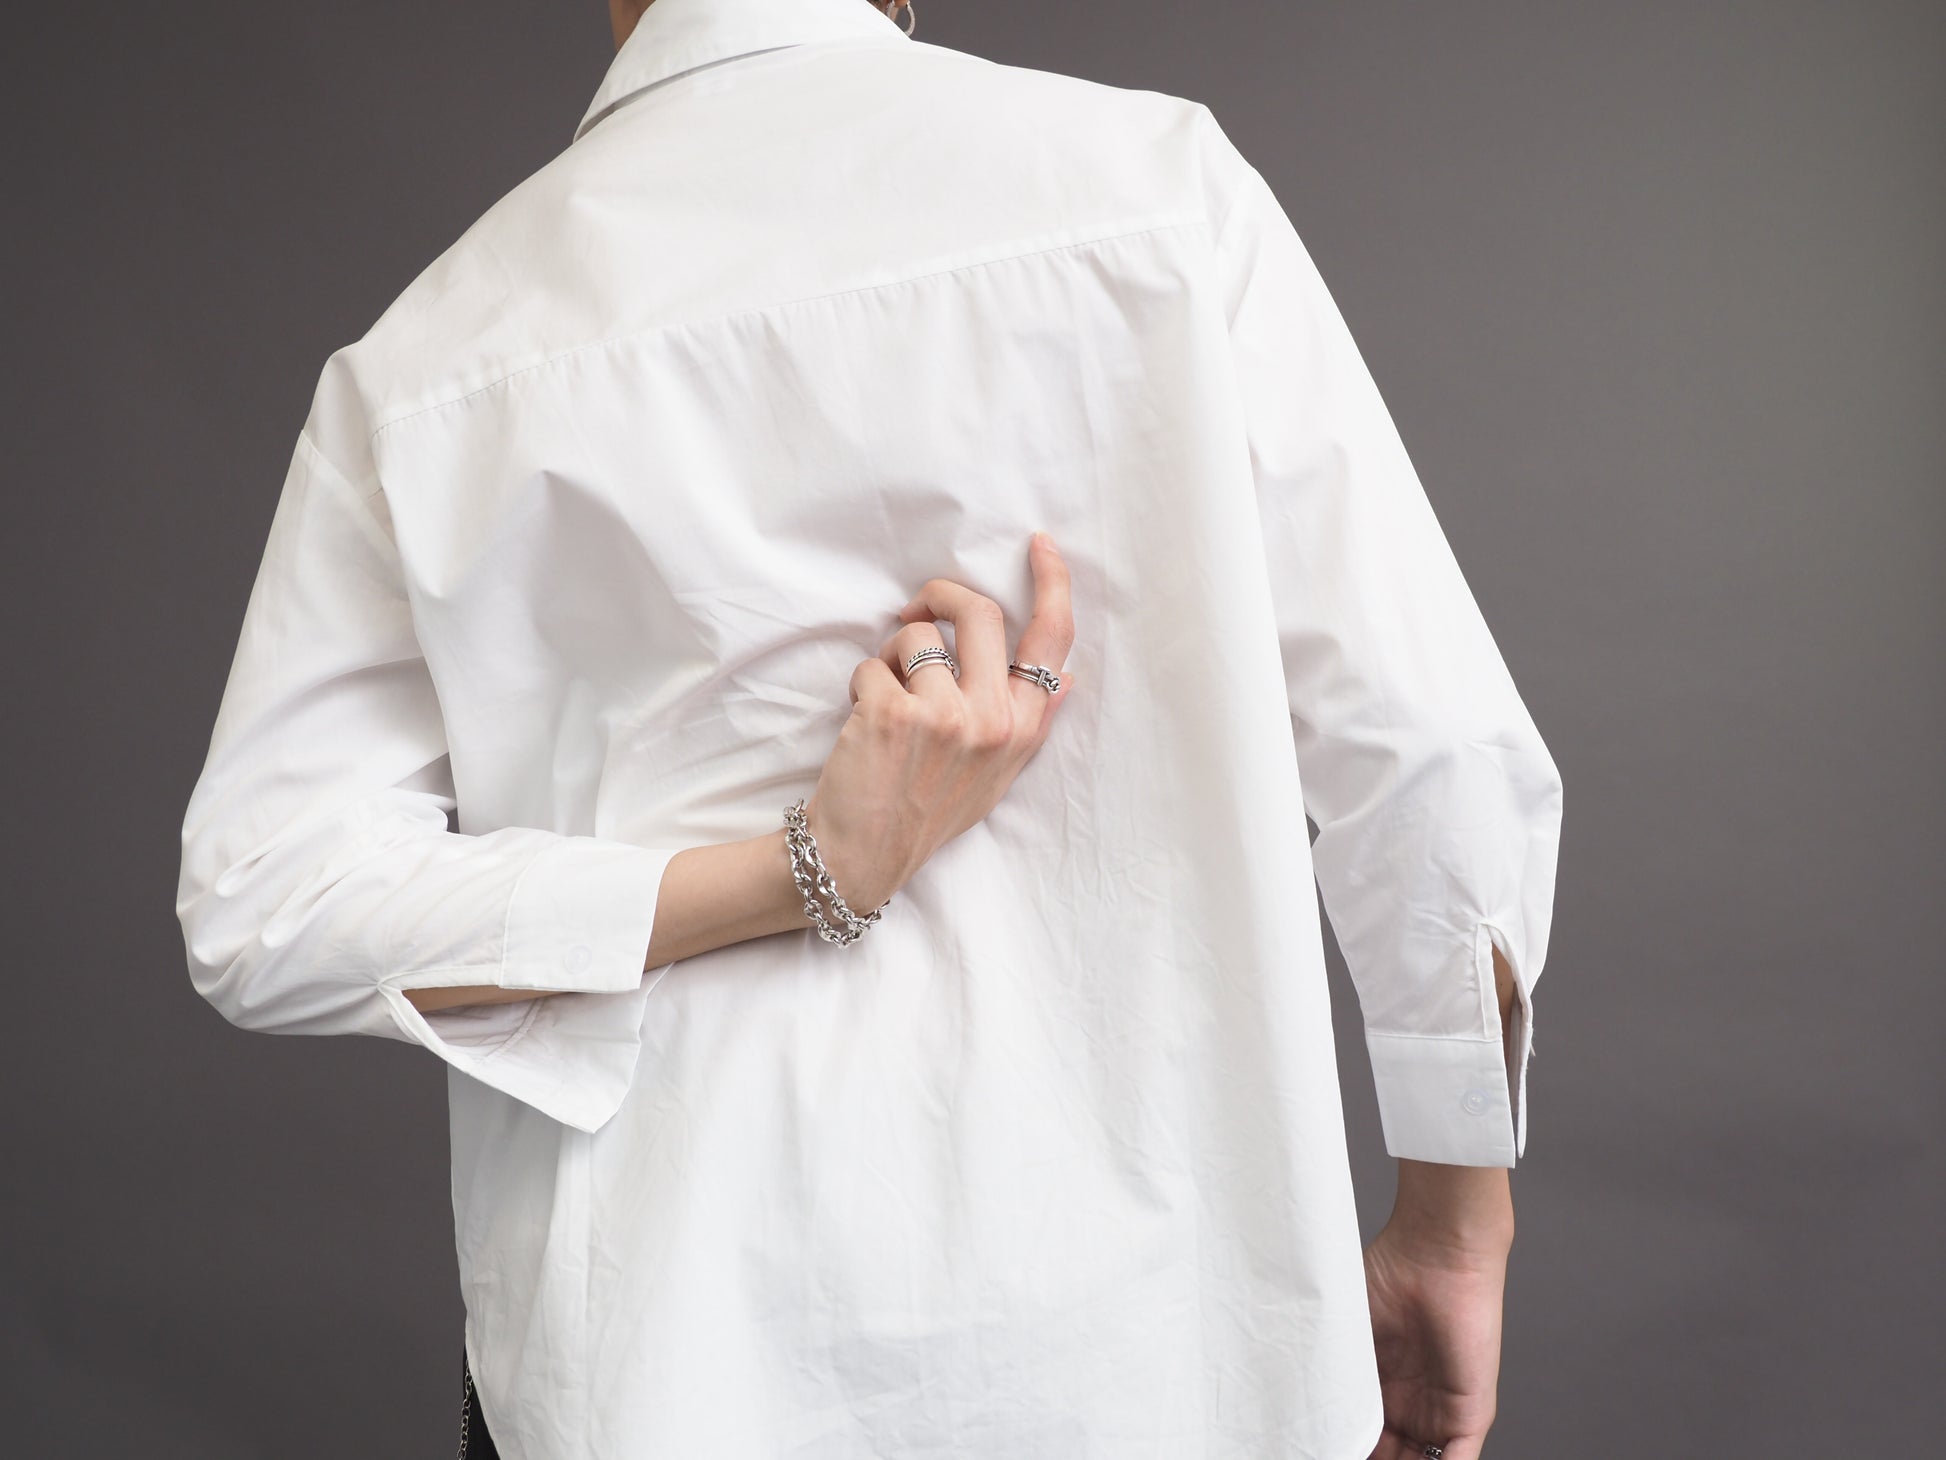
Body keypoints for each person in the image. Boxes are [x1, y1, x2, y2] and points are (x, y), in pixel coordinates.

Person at [175, 0, 1565, 1456]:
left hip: (668, 1370)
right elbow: (1430, 753)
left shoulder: (432, 360)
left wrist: (766, 881)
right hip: (1168, 1359)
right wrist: (1452, 1224)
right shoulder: (1159, 192)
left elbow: (265, 899)